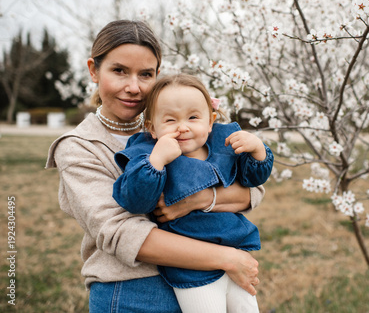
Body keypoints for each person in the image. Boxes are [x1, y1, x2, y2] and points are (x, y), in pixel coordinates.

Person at [45, 20, 264, 313]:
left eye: (145, 74)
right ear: (94, 70)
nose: (133, 87)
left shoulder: (179, 126)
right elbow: (122, 233)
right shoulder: (79, 146)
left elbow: (252, 190)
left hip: (209, 279)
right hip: (135, 291)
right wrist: (227, 258)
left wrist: (199, 200)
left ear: (158, 75)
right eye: (119, 70)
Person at [112, 74, 273, 312]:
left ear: (210, 122)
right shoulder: (149, 154)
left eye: (193, 117)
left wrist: (259, 151)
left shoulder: (223, 146)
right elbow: (136, 201)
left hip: (236, 248)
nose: (183, 127)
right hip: (191, 266)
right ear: (152, 128)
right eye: (170, 120)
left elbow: (253, 180)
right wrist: (156, 161)